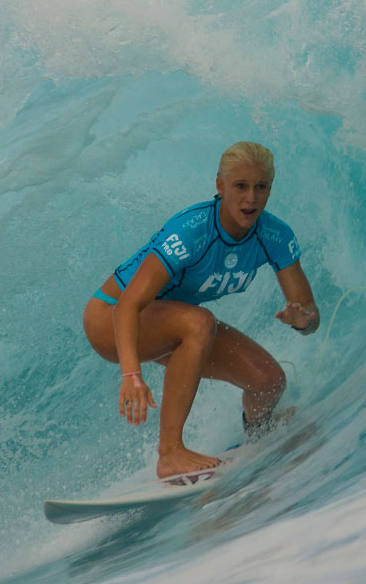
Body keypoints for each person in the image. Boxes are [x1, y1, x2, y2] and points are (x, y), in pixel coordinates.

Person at [82, 141, 319, 478]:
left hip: (168, 322)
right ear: (220, 186)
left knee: (268, 381)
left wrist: (303, 321)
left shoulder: (274, 235)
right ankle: (170, 453)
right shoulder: (192, 231)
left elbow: (310, 315)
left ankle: (258, 429)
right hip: (110, 318)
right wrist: (132, 376)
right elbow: (128, 305)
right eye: (240, 186)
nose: (250, 198)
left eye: (260, 187)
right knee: (199, 322)